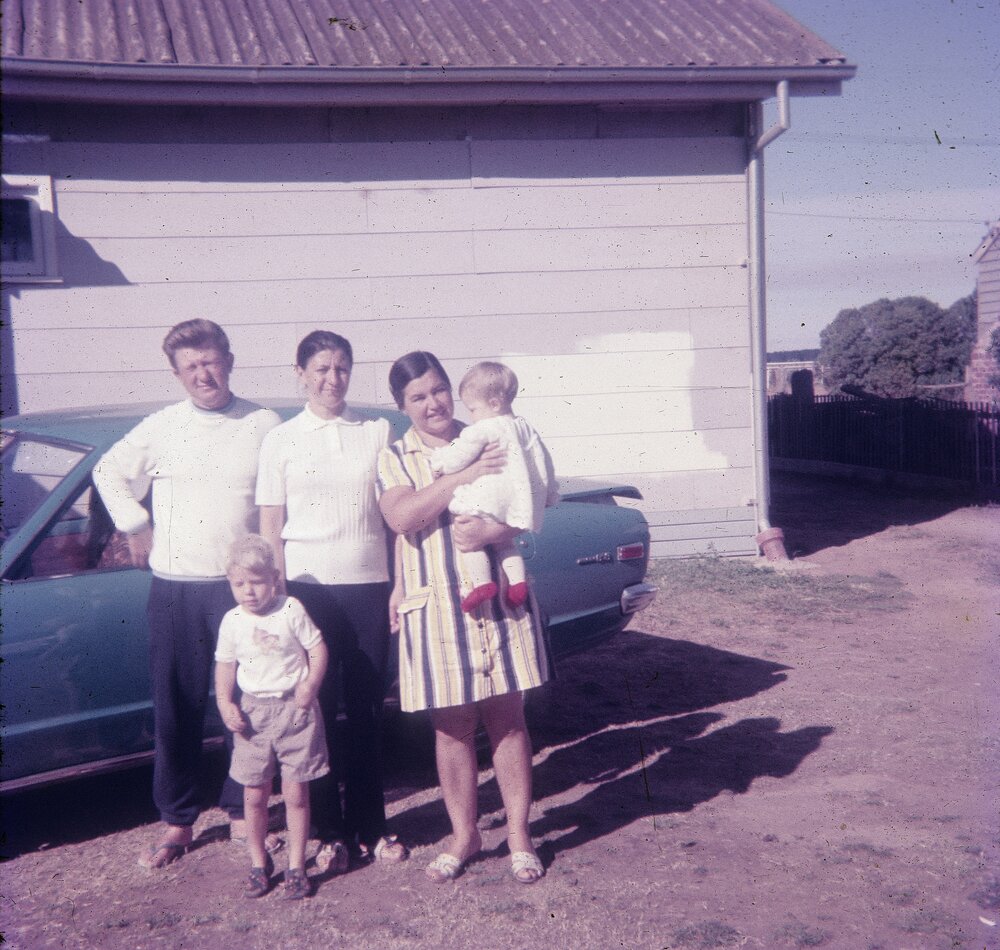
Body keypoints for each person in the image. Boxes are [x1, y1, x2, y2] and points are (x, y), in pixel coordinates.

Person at [93, 319, 281, 868]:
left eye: (211, 360)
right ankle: (177, 820)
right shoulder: (162, 427)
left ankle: (242, 809)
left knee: (245, 705)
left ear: (229, 359)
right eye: (191, 366)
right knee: (175, 708)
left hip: (241, 593)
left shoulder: (263, 423)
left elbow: (277, 499)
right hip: (176, 589)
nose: (204, 373)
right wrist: (134, 522)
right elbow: (108, 472)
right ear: (177, 373)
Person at [377, 351, 550, 885]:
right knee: (451, 728)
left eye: (438, 390)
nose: (432, 404)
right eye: (417, 397)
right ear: (402, 406)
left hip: (500, 600)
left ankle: (519, 835)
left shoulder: (492, 430)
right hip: (435, 605)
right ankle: (465, 834)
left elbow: (537, 496)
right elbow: (404, 515)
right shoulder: (396, 456)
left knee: (508, 718)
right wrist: (467, 474)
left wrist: (496, 533)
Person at [256, 330, 407, 873]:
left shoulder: (376, 432)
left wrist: (396, 584)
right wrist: (277, 600)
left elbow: (392, 517)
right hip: (306, 591)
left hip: (368, 585)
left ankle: (373, 824)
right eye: (320, 369)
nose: (332, 379)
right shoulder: (281, 439)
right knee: (314, 712)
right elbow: (270, 526)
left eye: (341, 368)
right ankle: (329, 830)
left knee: (365, 711)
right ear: (300, 373)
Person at [215, 535, 330, 900]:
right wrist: (224, 703)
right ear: (230, 583)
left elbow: (317, 648)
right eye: (239, 584)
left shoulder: (290, 609)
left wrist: (310, 685)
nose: (249, 592)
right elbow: (225, 665)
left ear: (275, 578)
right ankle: (259, 862)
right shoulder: (232, 621)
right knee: (254, 795)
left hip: (295, 711)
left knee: (296, 794)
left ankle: (296, 865)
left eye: (257, 582)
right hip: (252, 716)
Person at [430, 361, 559, 612]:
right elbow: (545, 461)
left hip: (490, 497)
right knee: (505, 544)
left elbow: (459, 457)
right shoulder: (525, 427)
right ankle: (518, 583)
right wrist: (549, 491)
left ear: (494, 403)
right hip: (517, 499)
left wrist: (440, 461)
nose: (471, 416)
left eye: (473, 409)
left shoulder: (484, 428)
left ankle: (480, 584)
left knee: (470, 539)